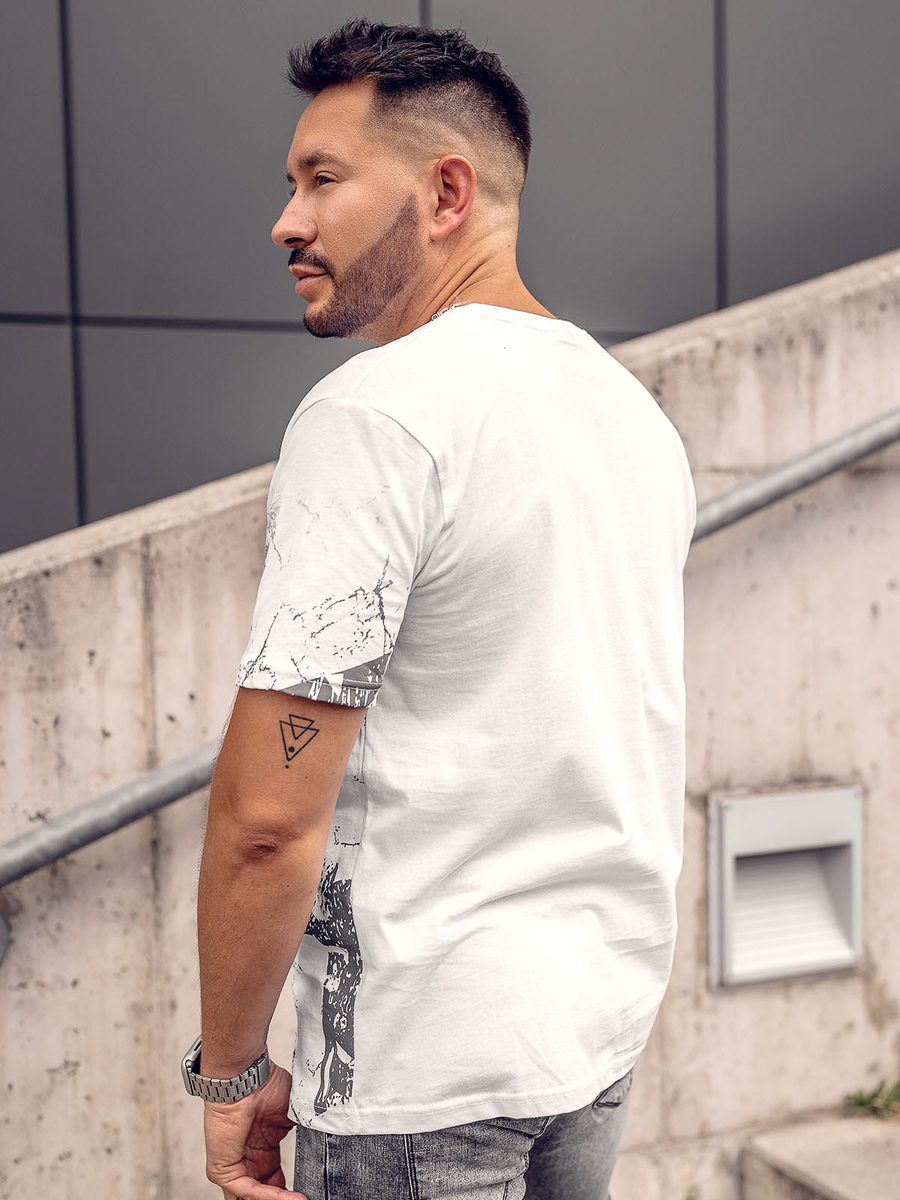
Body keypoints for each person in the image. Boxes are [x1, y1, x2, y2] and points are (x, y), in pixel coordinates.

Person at [184, 18, 696, 1200]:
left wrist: (230, 1072)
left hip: (423, 1073)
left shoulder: (378, 415)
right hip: (592, 1034)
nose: (287, 221)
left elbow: (267, 817)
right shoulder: (630, 416)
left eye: (323, 179)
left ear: (447, 192)